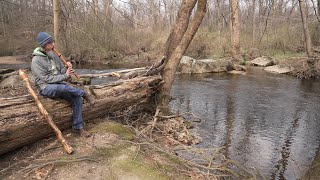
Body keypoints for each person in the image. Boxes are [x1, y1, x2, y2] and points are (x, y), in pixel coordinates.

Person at [31, 32, 94, 137]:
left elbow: (60, 71)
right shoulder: (36, 61)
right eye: (50, 43)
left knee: (76, 97)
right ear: (43, 45)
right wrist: (65, 75)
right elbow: (47, 79)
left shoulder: (53, 54)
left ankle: (77, 128)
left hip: (59, 84)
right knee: (61, 87)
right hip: (45, 87)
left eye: (53, 41)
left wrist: (67, 68)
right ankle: (84, 93)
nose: (53, 44)